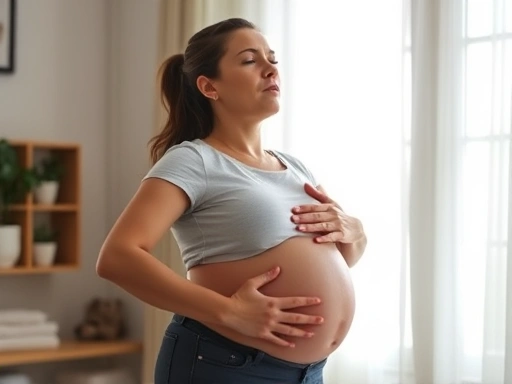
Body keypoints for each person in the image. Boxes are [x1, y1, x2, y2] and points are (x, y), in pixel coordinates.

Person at [96, 17, 367, 384]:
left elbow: (340, 257)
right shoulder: (194, 159)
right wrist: (228, 312)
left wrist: (356, 231)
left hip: (307, 373)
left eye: (272, 58)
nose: (271, 67)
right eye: (250, 60)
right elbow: (117, 257)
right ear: (209, 87)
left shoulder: (295, 167)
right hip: (225, 364)